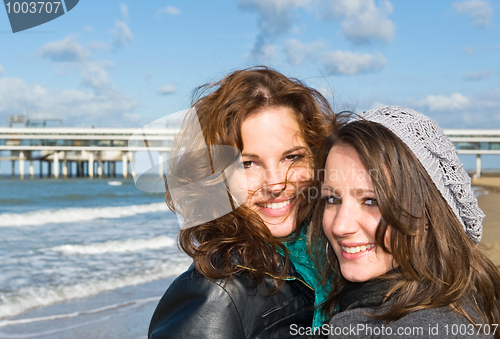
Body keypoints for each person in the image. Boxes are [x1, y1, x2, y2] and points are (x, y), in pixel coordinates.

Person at [147, 67, 335, 338]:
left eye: (292, 157)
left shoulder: (329, 262)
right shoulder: (217, 294)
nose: (275, 184)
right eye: (248, 163)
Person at [310, 106, 500, 338]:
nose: (340, 226)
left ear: (428, 212)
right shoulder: (464, 299)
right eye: (332, 199)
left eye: (371, 201)